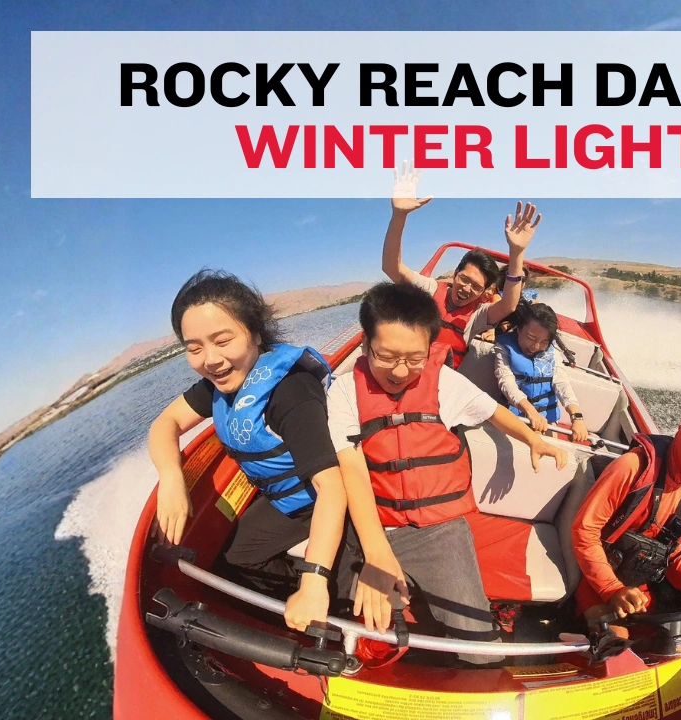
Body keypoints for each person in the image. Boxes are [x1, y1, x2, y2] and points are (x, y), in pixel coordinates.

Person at [326, 282, 568, 663]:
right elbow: (352, 471)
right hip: (370, 522)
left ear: (429, 349)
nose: (400, 371)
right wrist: (376, 552)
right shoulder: (343, 392)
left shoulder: (443, 383)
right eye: (386, 356)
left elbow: (492, 411)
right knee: (351, 633)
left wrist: (531, 439)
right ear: (364, 345)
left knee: (480, 651)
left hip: (438, 530)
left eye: (414, 358)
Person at [148, 269, 347, 632]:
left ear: (255, 333)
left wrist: (314, 581)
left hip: (323, 502)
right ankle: (289, 601)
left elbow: (331, 487)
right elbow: (165, 423)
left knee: (338, 588)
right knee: (236, 557)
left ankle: (330, 602)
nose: (210, 359)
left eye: (223, 340)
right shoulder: (219, 384)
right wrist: (171, 479)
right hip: (283, 499)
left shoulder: (290, 392)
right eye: (194, 348)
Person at [571, 398, 681, 652]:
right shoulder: (631, 468)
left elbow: (670, 548)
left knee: (673, 648)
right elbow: (584, 531)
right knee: (620, 652)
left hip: (640, 590)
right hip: (596, 581)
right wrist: (612, 589)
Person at [381, 163, 540, 368]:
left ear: (483, 292)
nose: (467, 288)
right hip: (405, 368)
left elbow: (509, 304)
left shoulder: (478, 315)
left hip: (440, 379)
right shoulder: (429, 289)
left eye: (476, 287)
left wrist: (517, 252)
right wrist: (399, 215)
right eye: (464, 279)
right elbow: (391, 267)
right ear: (455, 274)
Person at [494, 302, 589, 443]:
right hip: (514, 417)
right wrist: (531, 412)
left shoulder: (552, 352)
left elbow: (561, 382)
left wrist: (577, 417)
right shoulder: (504, 348)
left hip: (546, 420)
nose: (536, 346)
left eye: (544, 341)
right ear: (519, 329)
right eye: (531, 337)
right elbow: (506, 382)